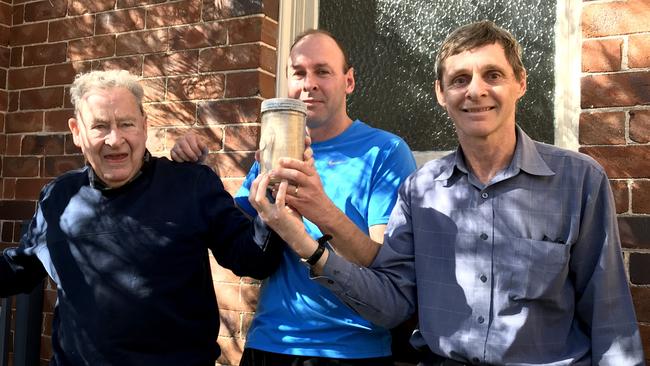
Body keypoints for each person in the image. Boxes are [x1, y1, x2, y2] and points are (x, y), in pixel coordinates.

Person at [250, 21, 645, 365]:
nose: (476, 91)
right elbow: (391, 304)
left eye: (492, 75)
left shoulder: (578, 181)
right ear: (441, 93)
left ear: (520, 83)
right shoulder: (420, 192)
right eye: (459, 79)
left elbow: (611, 320)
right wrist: (304, 241)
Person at [0, 70, 287, 366]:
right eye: (100, 126)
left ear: (145, 126)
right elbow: (20, 268)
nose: (115, 139)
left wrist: (272, 206)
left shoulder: (190, 184)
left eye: (126, 124)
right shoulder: (58, 197)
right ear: (76, 131)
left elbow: (251, 258)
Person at [172, 29, 417, 365]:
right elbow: (245, 248)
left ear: (349, 81)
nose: (309, 83)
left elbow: (382, 264)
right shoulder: (275, 153)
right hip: (270, 343)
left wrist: (320, 210)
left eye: (322, 71)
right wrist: (201, 175)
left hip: (352, 349)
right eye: (298, 73)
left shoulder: (384, 151)